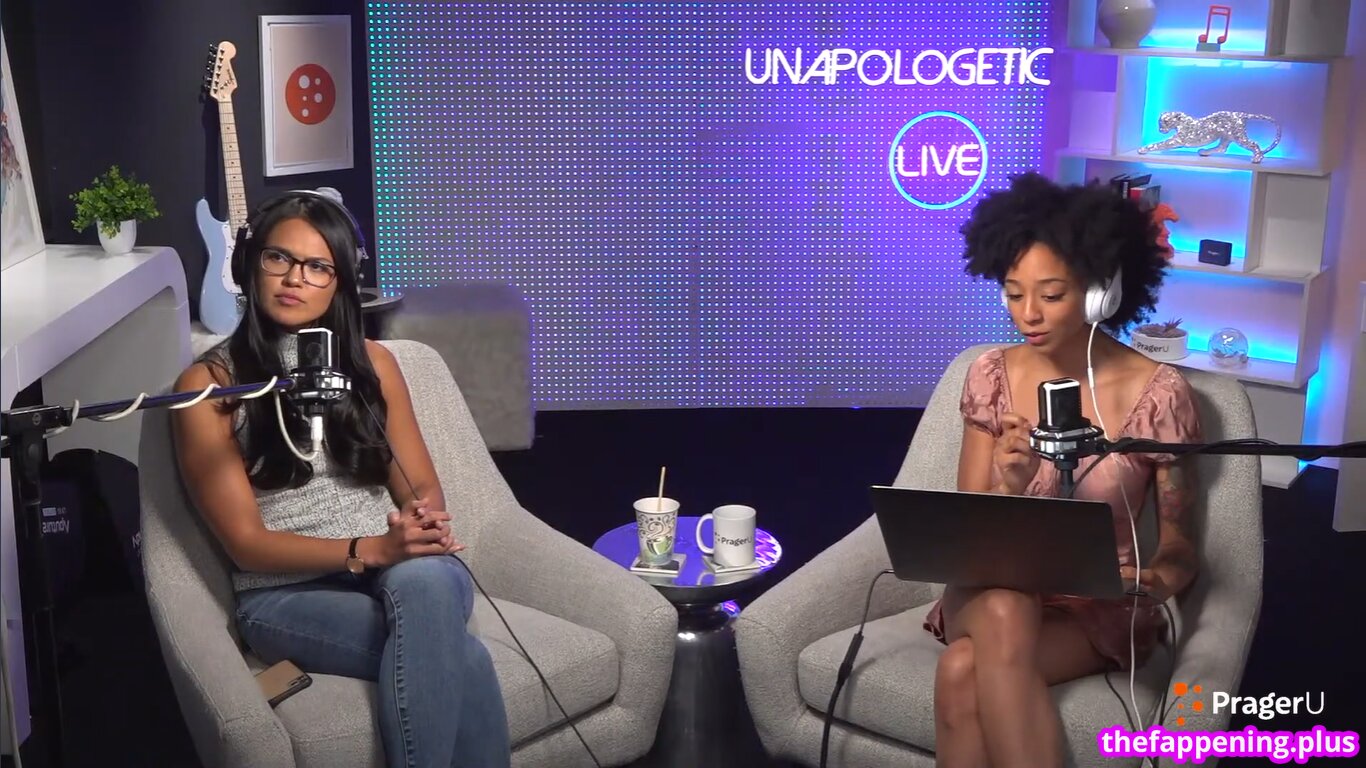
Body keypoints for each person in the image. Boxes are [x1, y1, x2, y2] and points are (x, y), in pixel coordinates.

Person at [170, 190, 511, 768]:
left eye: (317, 267)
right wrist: (370, 549)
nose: (294, 279)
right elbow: (246, 545)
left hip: (403, 568)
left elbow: (421, 487)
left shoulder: (374, 365)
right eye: (278, 258)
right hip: (286, 596)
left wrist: (417, 524)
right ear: (249, 264)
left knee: (427, 580)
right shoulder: (210, 387)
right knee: (467, 659)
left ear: (340, 283)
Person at [925, 172, 1202, 768]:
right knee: (1005, 606)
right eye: (1013, 293)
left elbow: (1181, 547)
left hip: (1092, 607)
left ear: (1100, 292)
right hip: (988, 592)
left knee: (960, 671)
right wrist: (1010, 485)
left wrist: (1155, 581)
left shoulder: (1159, 394)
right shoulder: (990, 375)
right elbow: (965, 533)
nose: (1028, 314)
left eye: (1051, 295)